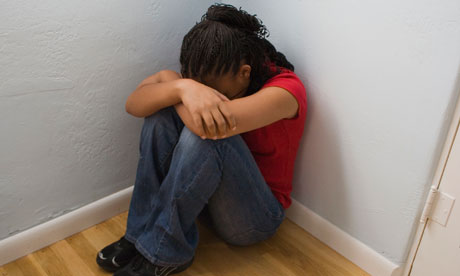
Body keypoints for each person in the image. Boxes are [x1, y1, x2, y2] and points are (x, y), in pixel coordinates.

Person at [96, 3, 307, 276]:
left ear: (245, 72)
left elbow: (206, 128)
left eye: (209, 88)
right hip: (206, 200)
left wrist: (173, 86)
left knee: (206, 133)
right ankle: (139, 236)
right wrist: (183, 86)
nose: (203, 95)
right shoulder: (214, 72)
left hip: (254, 218)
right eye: (199, 85)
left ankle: (164, 254)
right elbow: (133, 104)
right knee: (159, 117)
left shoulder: (285, 92)